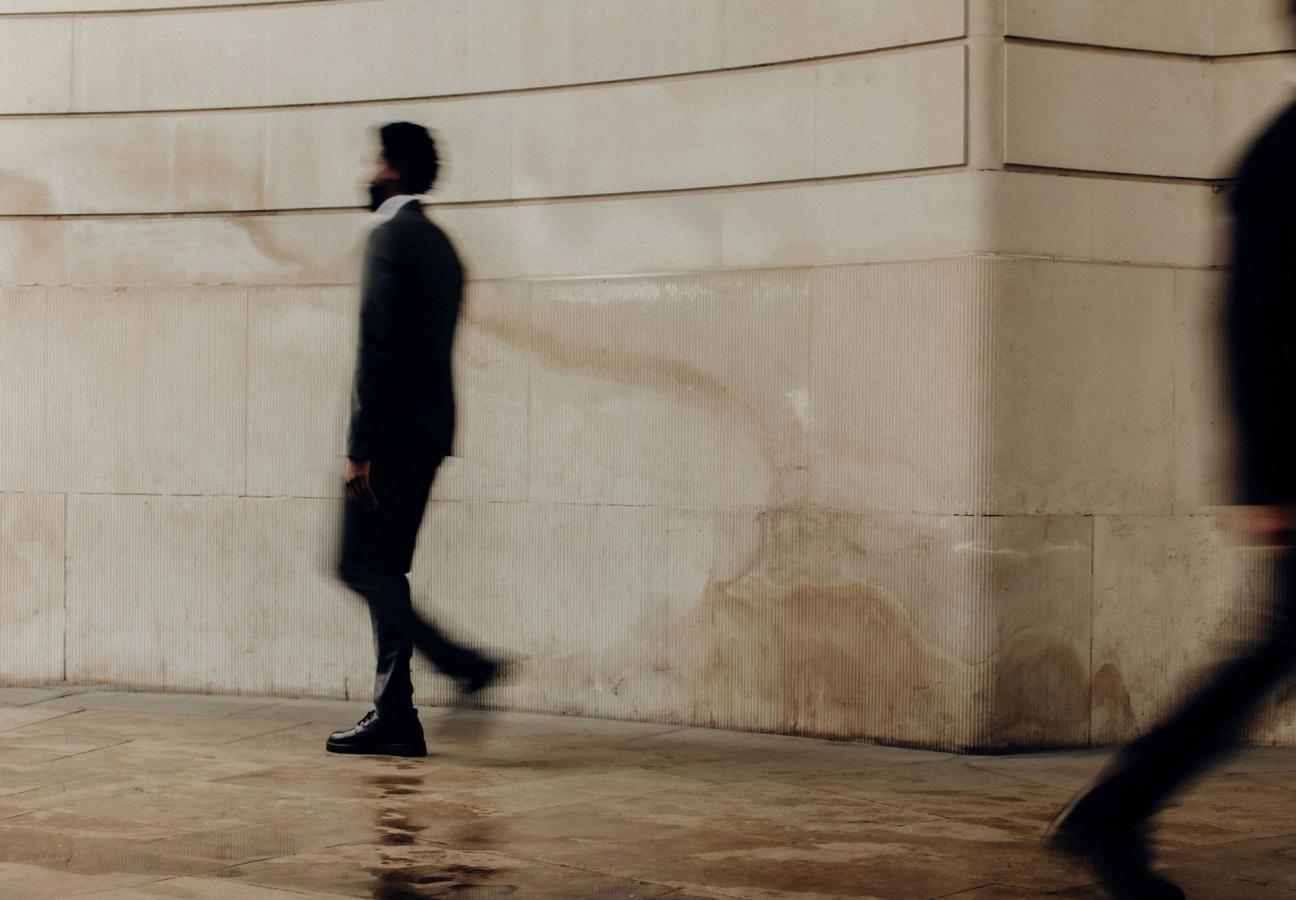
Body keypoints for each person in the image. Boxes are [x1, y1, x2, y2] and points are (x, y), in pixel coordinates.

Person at [1046, 47, 1296, 900]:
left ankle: (1117, 809)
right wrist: (1265, 483)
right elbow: (1250, 331)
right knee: (1263, 661)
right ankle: (1118, 808)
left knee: (1265, 659)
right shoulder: (1284, 158)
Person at [327, 122, 503, 758]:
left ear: (393, 168)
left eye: (374, 158)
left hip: (391, 438)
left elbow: (376, 348)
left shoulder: (390, 239)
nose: (368, 170)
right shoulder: (441, 245)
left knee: (359, 564)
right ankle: (397, 711)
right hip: (429, 433)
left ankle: (453, 671)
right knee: (384, 569)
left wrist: (360, 444)